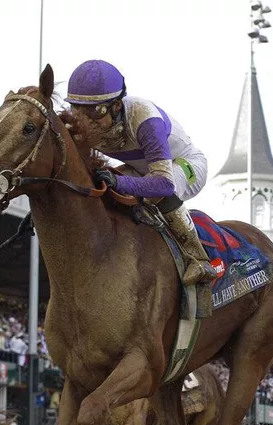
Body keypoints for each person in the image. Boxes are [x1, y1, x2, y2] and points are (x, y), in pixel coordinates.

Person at [64, 60, 217, 287]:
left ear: (116, 106)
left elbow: (163, 183)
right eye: (78, 109)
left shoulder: (144, 118)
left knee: (161, 187)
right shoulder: (85, 121)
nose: (86, 121)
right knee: (99, 185)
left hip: (185, 166)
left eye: (94, 112)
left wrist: (119, 181)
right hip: (140, 169)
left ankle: (198, 259)